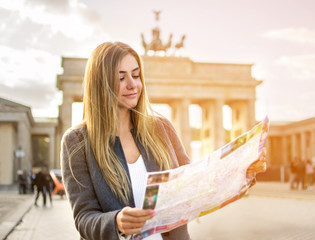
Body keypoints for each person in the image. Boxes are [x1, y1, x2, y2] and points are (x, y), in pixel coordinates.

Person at [60, 42, 267, 240]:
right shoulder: (77, 141)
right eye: (121, 77)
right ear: (100, 83)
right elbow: (84, 218)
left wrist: (239, 171)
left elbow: (195, 185)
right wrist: (116, 223)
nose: (133, 85)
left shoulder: (161, 128)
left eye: (136, 75)